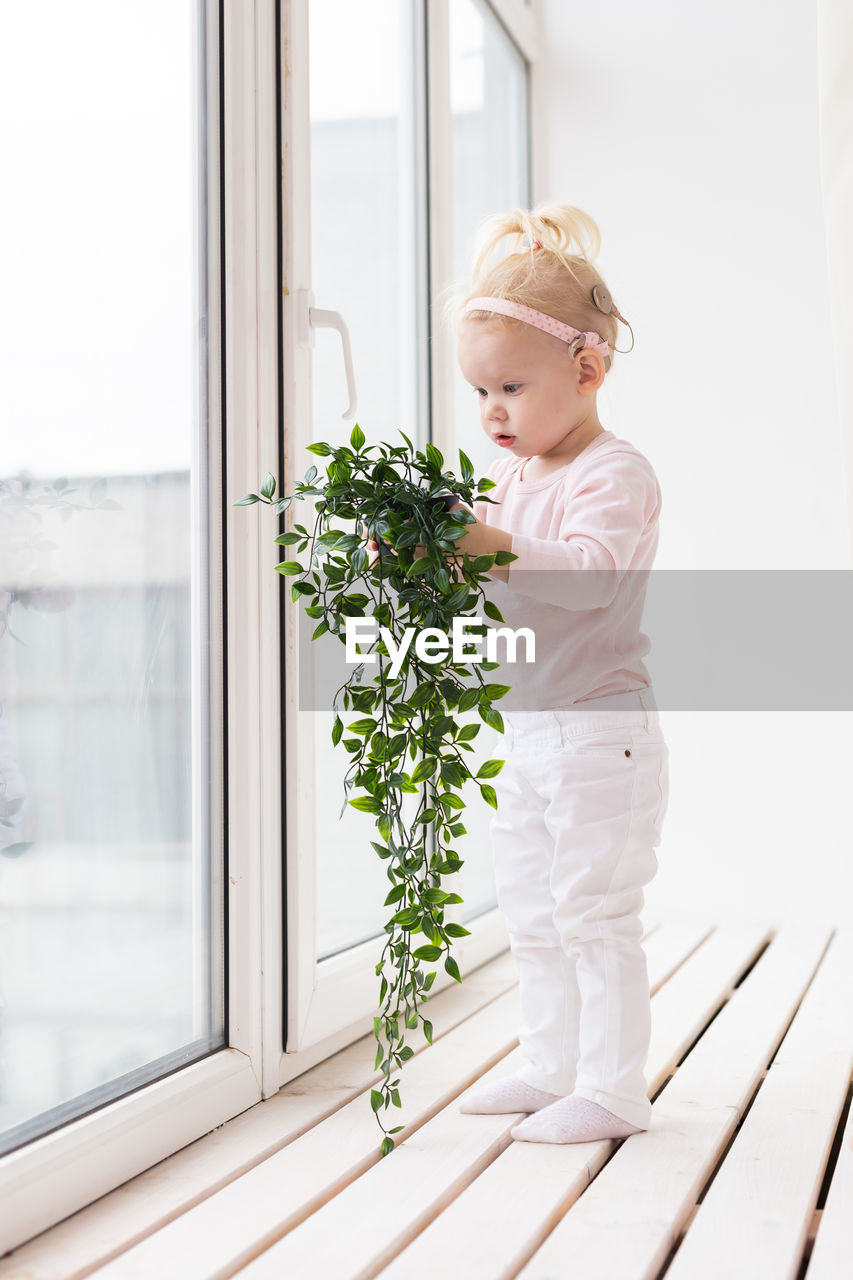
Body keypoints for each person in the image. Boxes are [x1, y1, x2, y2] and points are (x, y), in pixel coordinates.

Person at [367, 202, 669, 1144]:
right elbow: (497, 585)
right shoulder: (515, 479)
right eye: (480, 394)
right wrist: (428, 558)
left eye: (510, 388)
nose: (493, 413)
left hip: (599, 734)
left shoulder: (611, 473)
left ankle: (613, 1090)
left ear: (587, 370)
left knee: (594, 911)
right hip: (532, 729)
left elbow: (586, 579)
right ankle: (549, 1065)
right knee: (532, 911)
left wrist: (483, 542)